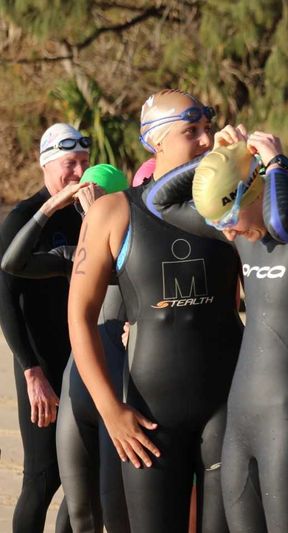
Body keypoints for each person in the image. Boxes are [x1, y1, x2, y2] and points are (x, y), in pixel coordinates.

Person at [147, 129, 288, 532]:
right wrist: (217, 157)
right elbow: (157, 199)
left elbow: (284, 223)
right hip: (242, 423)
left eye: (230, 219)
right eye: (219, 225)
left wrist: (276, 164)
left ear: (254, 191)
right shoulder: (243, 234)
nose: (228, 233)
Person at [68, 89, 243, 533]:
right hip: (150, 415)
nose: (206, 140)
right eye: (192, 132)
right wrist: (110, 409)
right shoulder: (114, 212)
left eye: (207, 128)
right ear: (157, 141)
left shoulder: (230, 211)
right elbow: (80, 317)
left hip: (227, 405)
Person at [2, 165, 130, 533]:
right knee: (78, 508)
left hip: (117, 386)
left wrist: (97, 217)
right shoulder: (75, 256)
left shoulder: (139, 253)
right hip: (80, 387)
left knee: (108, 507)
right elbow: (13, 263)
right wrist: (49, 206)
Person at [0, 122, 89, 533]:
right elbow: (5, 298)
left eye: (84, 162)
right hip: (39, 362)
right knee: (42, 475)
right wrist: (30, 370)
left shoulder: (86, 215)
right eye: (69, 163)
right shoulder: (21, 217)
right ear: (46, 164)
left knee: (83, 475)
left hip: (81, 358)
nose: (78, 172)